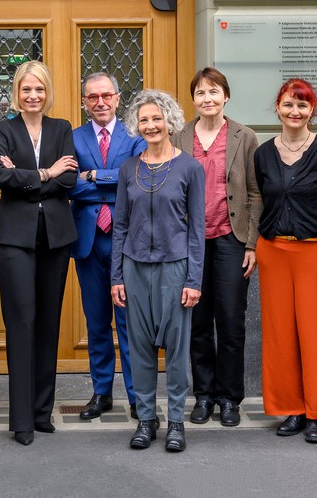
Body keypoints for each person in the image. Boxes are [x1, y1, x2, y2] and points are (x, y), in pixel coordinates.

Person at [253, 78, 317, 443]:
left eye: (302, 106)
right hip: (273, 250)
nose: (295, 112)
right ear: (277, 107)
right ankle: (291, 409)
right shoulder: (262, 154)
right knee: (280, 334)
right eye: (289, 104)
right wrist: (251, 246)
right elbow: (258, 200)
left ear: (313, 111)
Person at [0, 60, 77, 446]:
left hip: (55, 240)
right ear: (16, 93)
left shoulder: (62, 129)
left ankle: (42, 413)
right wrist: (45, 173)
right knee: (21, 323)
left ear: (47, 92)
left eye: (39, 89)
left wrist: (26, 177)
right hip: (15, 242)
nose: (33, 96)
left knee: (48, 325)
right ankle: (21, 419)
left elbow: (71, 178)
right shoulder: (2, 130)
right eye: (26, 89)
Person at [112, 90, 204, 453]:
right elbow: (120, 225)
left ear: (170, 121)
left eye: (156, 118)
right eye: (144, 120)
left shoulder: (190, 168)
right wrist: (116, 277)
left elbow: (197, 229)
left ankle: (177, 422)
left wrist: (194, 280)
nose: (150, 125)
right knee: (140, 348)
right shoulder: (127, 169)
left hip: (175, 268)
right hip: (134, 268)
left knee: (178, 351)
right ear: (137, 125)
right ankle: (147, 420)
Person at [172, 67, 262, 427]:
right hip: (189, 242)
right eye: (200, 93)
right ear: (192, 99)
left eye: (214, 92)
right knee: (195, 321)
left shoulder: (245, 136)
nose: (207, 99)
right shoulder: (178, 137)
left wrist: (252, 243)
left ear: (225, 96)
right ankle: (204, 396)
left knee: (229, 322)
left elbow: (256, 193)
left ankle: (229, 398)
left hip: (231, 239)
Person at [70, 72, 145, 421]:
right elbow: (68, 184)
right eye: (92, 97)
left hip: (126, 241)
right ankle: (102, 392)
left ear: (117, 98)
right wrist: (109, 180)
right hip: (88, 241)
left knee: (129, 322)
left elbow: (138, 178)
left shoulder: (135, 135)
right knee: (97, 322)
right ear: (85, 101)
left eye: (106, 95)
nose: (99, 102)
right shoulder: (73, 137)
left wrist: (93, 176)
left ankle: (136, 395)